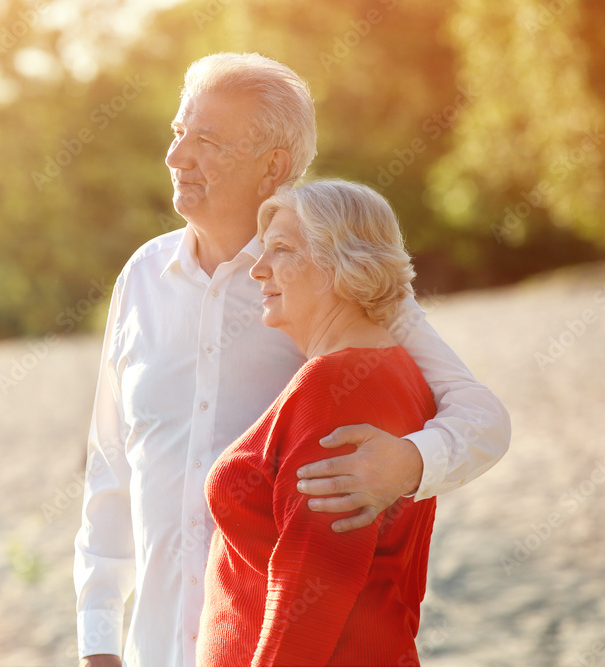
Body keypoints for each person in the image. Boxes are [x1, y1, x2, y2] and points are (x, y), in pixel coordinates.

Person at [75, 53, 510, 667]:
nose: (176, 158)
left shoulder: (326, 282)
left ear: (272, 166)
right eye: (177, 134)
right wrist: (98, 644)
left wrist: (409, 461)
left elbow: (482, 417)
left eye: (205, 141)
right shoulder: (141, 278)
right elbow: (111, 470)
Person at [198, 179, 439, 666]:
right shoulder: (384, 369)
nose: (258, 270)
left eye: (282, 249)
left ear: (343, 264)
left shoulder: (338, 385)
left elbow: (312, 591)